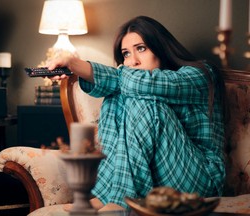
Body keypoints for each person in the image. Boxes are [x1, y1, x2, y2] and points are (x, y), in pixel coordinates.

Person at [48, 15, 226, 211]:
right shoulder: (134, 81)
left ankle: (120, 202)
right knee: (117, 95)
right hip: (158, 182)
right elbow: (126, 82)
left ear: (161, 47)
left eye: (141, 48)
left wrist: (77, 64)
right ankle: (106, 195)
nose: (133, 61)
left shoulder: (200, 74)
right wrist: (77, 67)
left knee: (143, 100)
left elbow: (145, 83)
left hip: (200, 181)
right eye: (126, 54)